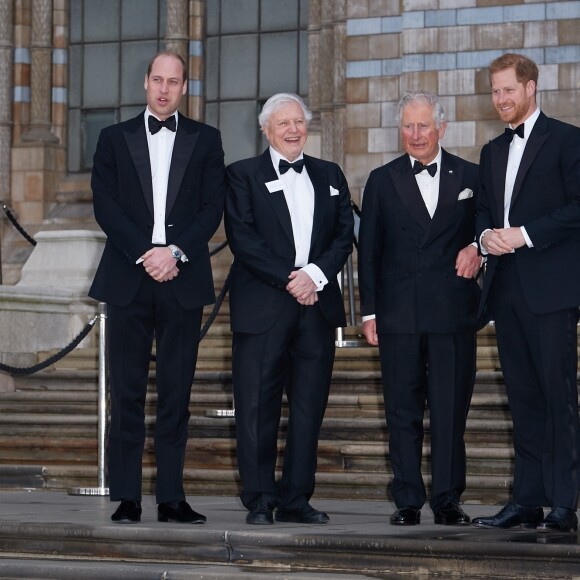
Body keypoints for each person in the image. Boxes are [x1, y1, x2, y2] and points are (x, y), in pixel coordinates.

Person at [89, 51, 226, 524]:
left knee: (176, 394)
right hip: (128, 278)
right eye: (157, 80)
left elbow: (212, 208)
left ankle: (171, 497)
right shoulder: (113, 138)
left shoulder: (207, 140)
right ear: (145, 82)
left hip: (182, 280)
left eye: (174, 82)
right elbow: (105, 206)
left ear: (184, 87)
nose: (164, 89)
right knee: (125, 393)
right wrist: (146, 253)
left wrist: (176, 253)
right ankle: (127, 496)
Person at [225, 93, 353, 525]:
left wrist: (315, 275)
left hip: (316, 308)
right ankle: (260, 498)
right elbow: (244, 241)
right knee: (256, 407)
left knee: (308, 407)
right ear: (266, 130)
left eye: (299, 121)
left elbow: (343, 234)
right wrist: (291, 278)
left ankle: (297, 497)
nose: (294, 129)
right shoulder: (242, 175)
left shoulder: (329, 173)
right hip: (264, 308)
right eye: (284, 123)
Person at [358, 91, 482, 526]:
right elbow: (368, 250)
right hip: (398, 315)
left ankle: (448, 499)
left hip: (452, 314)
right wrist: (369, 311)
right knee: (402, 410)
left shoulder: (470, 175)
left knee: (450, 412)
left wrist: (477, 249)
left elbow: (486, 232)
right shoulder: (381, 179)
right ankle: (407, 498)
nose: (415, 134)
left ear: (441, 128)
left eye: (423, 125)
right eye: (408, 126)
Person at [471, 53, 580, 533]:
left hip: (552, 290)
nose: (500, 100)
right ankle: (528, 500)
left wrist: (523, 235)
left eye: (507, 90)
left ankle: (563, 502)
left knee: (558, 398)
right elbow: (482, 212)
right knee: (523, 399)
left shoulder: (567, 140)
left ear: (531, 88)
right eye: (495, 91)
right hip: (506, 292)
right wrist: (484, 238)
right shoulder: (491, 150)